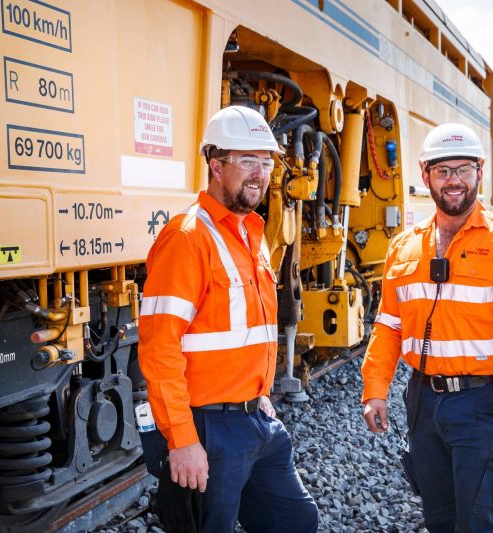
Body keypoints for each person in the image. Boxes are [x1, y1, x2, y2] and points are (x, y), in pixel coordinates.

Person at [361, 123, 493, 532]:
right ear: (425, 174)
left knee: (479, 519)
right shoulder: (405, 245)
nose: (454, 181)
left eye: (463, 170)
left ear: (480, 173)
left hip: (483, 404)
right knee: (439, 517)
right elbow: (388, 326)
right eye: (443, 170)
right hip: (423, 401)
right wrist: (375, 390)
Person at [139, 105, 319, 532]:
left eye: (266, 161)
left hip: (256, 418)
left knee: (295, 521)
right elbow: (159, 347)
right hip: (209, 428)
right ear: (215, 165)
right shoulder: (187, 239)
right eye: (247, 161)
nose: (260, 173)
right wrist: (182, 439)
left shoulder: (248, 234)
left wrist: (260, 394)